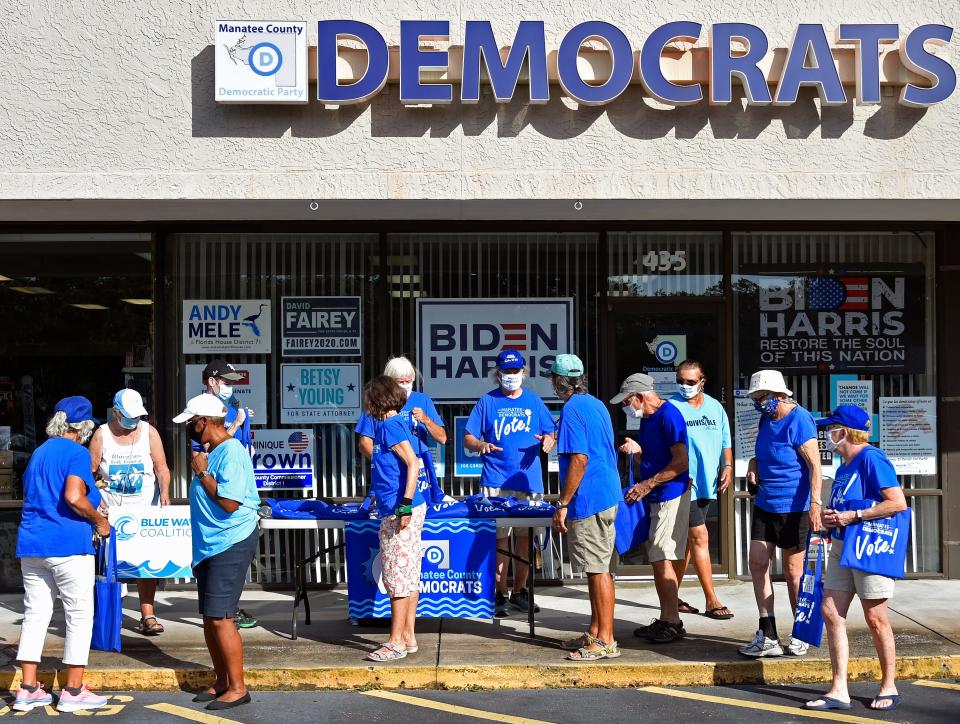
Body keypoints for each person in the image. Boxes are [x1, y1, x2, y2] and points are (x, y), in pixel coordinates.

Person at [805, 406, 907, 713]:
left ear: (844, 432)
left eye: (830, 429)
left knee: (876, 618)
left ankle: (889, 685)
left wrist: (855, 515)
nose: (826, 435)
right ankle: (839, 690)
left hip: (868, 547)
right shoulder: (843, 466)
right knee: (831, 611)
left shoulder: (871, 458)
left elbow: (897, 502)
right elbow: (845, 507)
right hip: (841, 545)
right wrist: (831, 517)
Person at [14, 396, 110, 713]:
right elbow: (72, 496)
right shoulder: (76, 452)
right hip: (68, 544)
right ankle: (73, 690)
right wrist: (99, 520)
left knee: (36, 613)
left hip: (32, 544)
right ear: (81, 428)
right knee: (79, 615)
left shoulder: (39, 453)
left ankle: (27, 688)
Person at [174, 394, 260, 711]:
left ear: (205, 422)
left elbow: (229, 502)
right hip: (212, 544)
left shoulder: (232, 452)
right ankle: (222, 679)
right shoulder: (214, 451)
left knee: (222, 618)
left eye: (191, 423)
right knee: (210, 618)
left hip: (231, 541)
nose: (189, 429)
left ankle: (238, 688)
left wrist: (201, 472)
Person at [464, 350, 556, 616]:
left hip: (529, 480)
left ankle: (519, 591)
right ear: (498, 373)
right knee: (500, 539)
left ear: (524, 373)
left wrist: (549, 440)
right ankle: (499, 593)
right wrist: (480, 444)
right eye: (507, 372)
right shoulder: (487, 402)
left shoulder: (534, 401)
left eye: (516, 372)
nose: (512, 376)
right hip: (496, 479)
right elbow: (468, 437)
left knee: (526, 536)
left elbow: (550, 432)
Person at [739, 370, 822, 658]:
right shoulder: (767, 418)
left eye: (762, 397)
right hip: (765, 502)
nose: (758, 403)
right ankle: (768, 633)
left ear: (779, 394)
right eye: (756, 398)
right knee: (758, 562)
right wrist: (753, 463)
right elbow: (765, 451)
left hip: (794, 507)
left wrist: (815, 505)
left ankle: (801, 632)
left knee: (793, 572)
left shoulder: (799, 419)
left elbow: (815, 466)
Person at [551, 354, 622, 661]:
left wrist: (563, 502)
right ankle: (595, 632)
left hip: (591, 496)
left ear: (557, 381)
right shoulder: (595, 404)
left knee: (597, 570)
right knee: (599, 568)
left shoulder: (571, 410)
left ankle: (606, 640)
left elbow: (579, 459)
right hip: (605, 492)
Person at [611, 374, 690, 644]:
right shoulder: (647, 419)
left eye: (627, 401)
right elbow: (657, 457)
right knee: (658, 557)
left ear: (640, 396)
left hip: (670, 494)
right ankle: (666, 617)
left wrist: (647, 484)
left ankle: (673, 621)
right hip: (656, 493)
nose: (626, 407)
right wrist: (638, 451)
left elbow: (680, 462)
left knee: (662, 556)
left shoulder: (669, 415)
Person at [88, 389, 172, 636]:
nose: (133, 422)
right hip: (111, 514)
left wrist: (165, 491)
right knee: (110, 567)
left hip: (144, 512)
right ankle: (110, 618)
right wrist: (94, 502)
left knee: (146, 566)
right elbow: (89, 473)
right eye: (128, 416)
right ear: (116, 412)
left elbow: (162, 468)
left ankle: (148, 615)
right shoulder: (101, 435)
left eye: (137, 416)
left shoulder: (149, 432)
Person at [362, 376, 427, 662]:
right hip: (398, 506)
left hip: (401, 510)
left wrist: (404, 506)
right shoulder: (394, 424)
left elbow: (412, 463)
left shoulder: (389, 425)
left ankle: (395, 641)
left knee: (397, 577)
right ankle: (408, 636)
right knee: (408, 574)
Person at [669, 360, 734, 620]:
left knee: (686, 544)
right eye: (681, 381)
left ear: (702, 381)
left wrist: (727, 465)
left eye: (690, 382)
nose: (685, 386)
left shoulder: (715, 407)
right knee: (700, 537)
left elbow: (725, 440)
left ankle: (670, 596)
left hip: (709, 483)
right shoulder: (671, 406)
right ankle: (712, 600)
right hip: (686, 483)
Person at [195, 359, 257, 629]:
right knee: (215, 618)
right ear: (211, 381)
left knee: (220, 618)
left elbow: (231, 447)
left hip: (229, 529)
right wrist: (236, 425)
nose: (230, 387)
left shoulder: (232, 409)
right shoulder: (198, 412)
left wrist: (242, 426)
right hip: (214, 532)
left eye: (232, 382)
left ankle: (230, 611)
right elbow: (206, 451)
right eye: (226, 381)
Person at [356, 355, 447, 506]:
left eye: (409, 381)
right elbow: (364, 442)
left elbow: (442, 438)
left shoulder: (422, 400)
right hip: (388, 478)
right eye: (401, 382)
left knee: (415, 514)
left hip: (417, 474)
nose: (406, 385)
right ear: (389, 382)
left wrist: (426, 420)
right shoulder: (377, 402)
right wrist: (385, 463)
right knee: (389, 517)